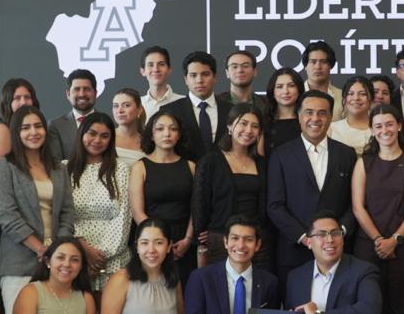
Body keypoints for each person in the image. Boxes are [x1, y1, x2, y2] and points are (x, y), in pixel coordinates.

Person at [0, 104, 75, 314]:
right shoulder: (5, 167)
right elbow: (6, 215)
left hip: (56, 263)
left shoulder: (58, 168)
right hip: (20, 261)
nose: (33, 132)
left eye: (38, 126)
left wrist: (57, 251)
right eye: (25, 127)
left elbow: (66, 213)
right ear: (16, 132)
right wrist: (41, 249)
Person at [267, 90, 357, 296]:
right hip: (294, 252)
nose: (315, 118)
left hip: (337, 251)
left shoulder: (346, 154)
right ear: (299, 117)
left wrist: (339, 233)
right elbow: (274, 206)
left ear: (330, 117)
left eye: (322, 113)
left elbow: (355, 203)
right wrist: (304, 238)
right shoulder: (281, 155)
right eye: (309, 112)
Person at [352, 104, 404, 314]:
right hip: (369, 245)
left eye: (389, 124)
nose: (384, 130)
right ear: (372, 130)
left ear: (399, 126)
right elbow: (358, 207)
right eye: (378, 126)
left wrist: (394, 240)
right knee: (370, 308)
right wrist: (378, 240)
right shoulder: (363, 163)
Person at [194, 104, 269, 269]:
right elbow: (200, 202)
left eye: (255, 126)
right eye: (243, 123)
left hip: (257, 242)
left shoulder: (263, 163)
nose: (248, 130)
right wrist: (201, 234)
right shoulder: (211, 161)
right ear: (229, 126)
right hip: (221, 240)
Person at [66, 112, 131, 292]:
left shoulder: (120, 169)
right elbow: (62, 216)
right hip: (74, 256)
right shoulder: (64, 169)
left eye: (104, 136)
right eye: (92, 133)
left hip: (113, 259)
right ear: (82, 134)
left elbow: (124, 216)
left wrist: (100, 256)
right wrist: (84, 251)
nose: (97, 140)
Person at [130, 110, 197, 283]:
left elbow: (196, 208)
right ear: (151, 135)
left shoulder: (190, 166)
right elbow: (137, 212)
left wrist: (188, 239)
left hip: (183, 243)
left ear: (179, 135)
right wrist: (159, 242)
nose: (167, 133)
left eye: (173, 129)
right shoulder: (140, 167)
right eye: (160, 129)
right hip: (151, 243)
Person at [159, 51, 232, 163]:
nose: (199, 80)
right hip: (183, 172)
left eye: (205, 74)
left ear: (215, 77)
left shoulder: (231, 110)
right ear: (186, 79)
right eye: (193, 75)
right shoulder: (170, 111)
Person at [47, 69, 97, 161]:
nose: (82, 94)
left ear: (95, 93)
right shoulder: (55, 126)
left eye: (87, 89)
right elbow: (55, 163)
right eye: (77, 89)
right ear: (68, 94)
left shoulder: (110, 124)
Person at [0, 77, 39, 163]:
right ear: (8, 102)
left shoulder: (36, 126)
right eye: (17, 98)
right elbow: (0, 167)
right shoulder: (2, 129)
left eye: (27, 97)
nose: (23, 102)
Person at [262, 67, 303, 158]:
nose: (286, 91)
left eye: (291, 86)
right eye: (279, 87)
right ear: (272, 92)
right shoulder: (263, 122)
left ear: (299, 90)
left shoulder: (306, 121)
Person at [327, 76, 374, 152]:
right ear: (344, 100)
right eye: (351, 94)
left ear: (371, 99)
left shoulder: (381, 128)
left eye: (362, 94)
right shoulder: (331, 129)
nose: (356, 98)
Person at [301, 40, 344, 120]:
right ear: (305, 66)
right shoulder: (295, 95)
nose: (318, 67)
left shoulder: (342, 97)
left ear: (331, 65)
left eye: (323, 62)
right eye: (313, 62)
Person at [140, 45, 182, 118]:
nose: (156, 69)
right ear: (142, 71)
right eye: (150, 65)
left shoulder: (183, 102)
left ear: (169, 70)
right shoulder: (138, 104)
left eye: (161, 64)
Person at [110, 88, 147, 167]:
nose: (120, 110)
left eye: (126, 105)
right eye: (116, 106)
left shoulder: (148, 142)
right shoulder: (106, 137)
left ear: (139, 109)